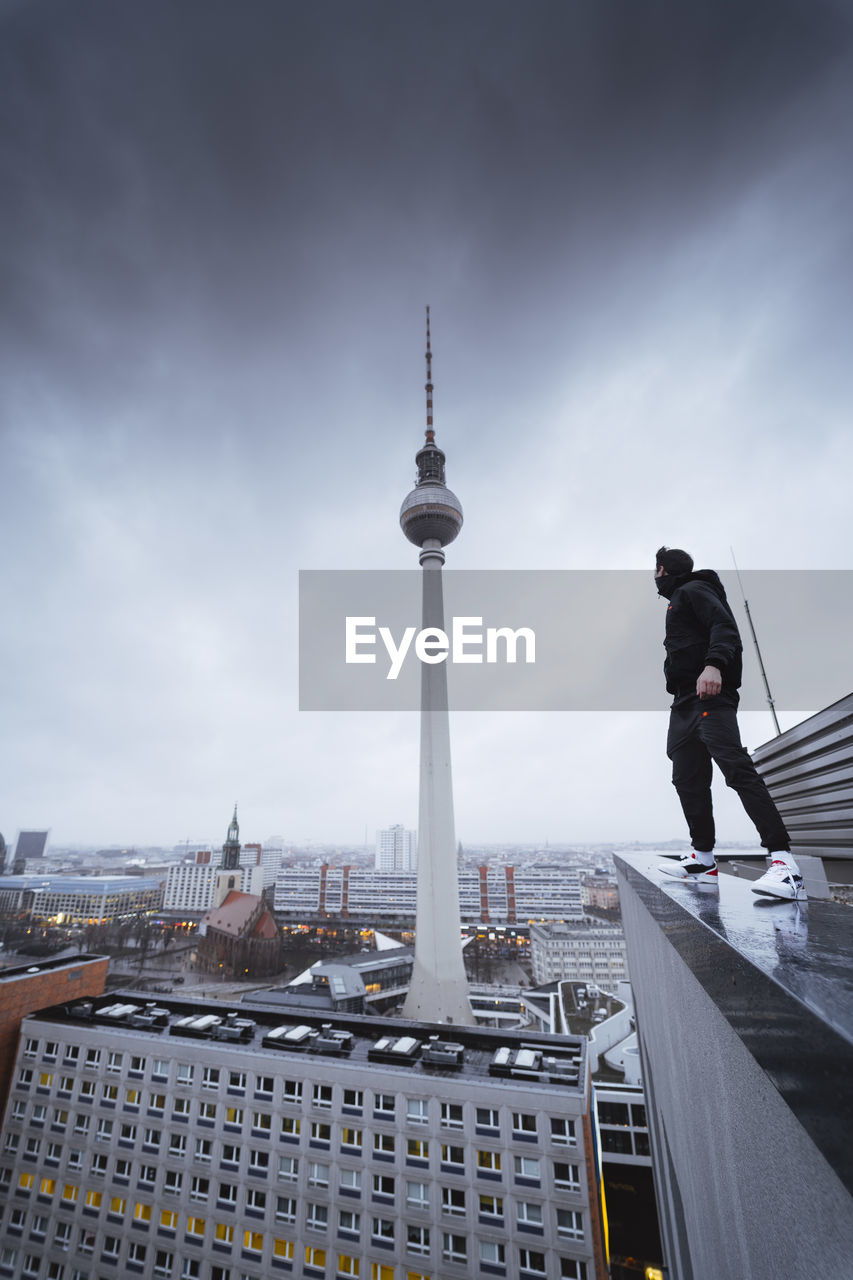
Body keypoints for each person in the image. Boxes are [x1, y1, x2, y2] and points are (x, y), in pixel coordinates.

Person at [654, 546, 805, 900]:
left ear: (662, 570)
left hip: (709, 695)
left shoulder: (693, 590)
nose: (655, 579)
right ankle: (703, 860)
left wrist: (714, 665)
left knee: (736, 769)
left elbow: (725, 628)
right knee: (687, 779)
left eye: (656, 572)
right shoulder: (678, 599)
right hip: (684, 701)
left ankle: (784, 864)